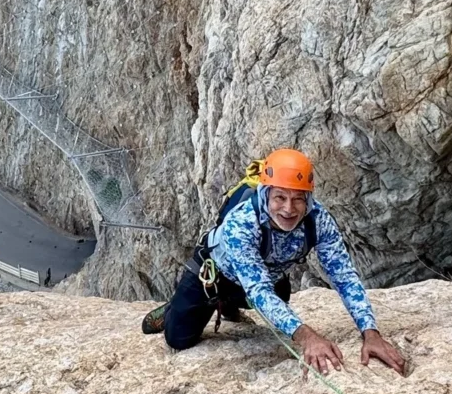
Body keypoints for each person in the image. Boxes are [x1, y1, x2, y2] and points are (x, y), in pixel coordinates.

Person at [143, 148, 407, 374]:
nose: (289, 209)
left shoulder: (318, 220)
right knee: (178, 337)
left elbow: (344, 277)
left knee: (279, 297)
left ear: (308, 199)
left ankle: (228, 304)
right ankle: (178, 308)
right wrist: (307, 337)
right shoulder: (242, 223)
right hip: (216, 276)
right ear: (266, 194)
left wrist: (370, 333)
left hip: (266, 279)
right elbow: (258, 291)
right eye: (280, 197)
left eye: (298, 199)